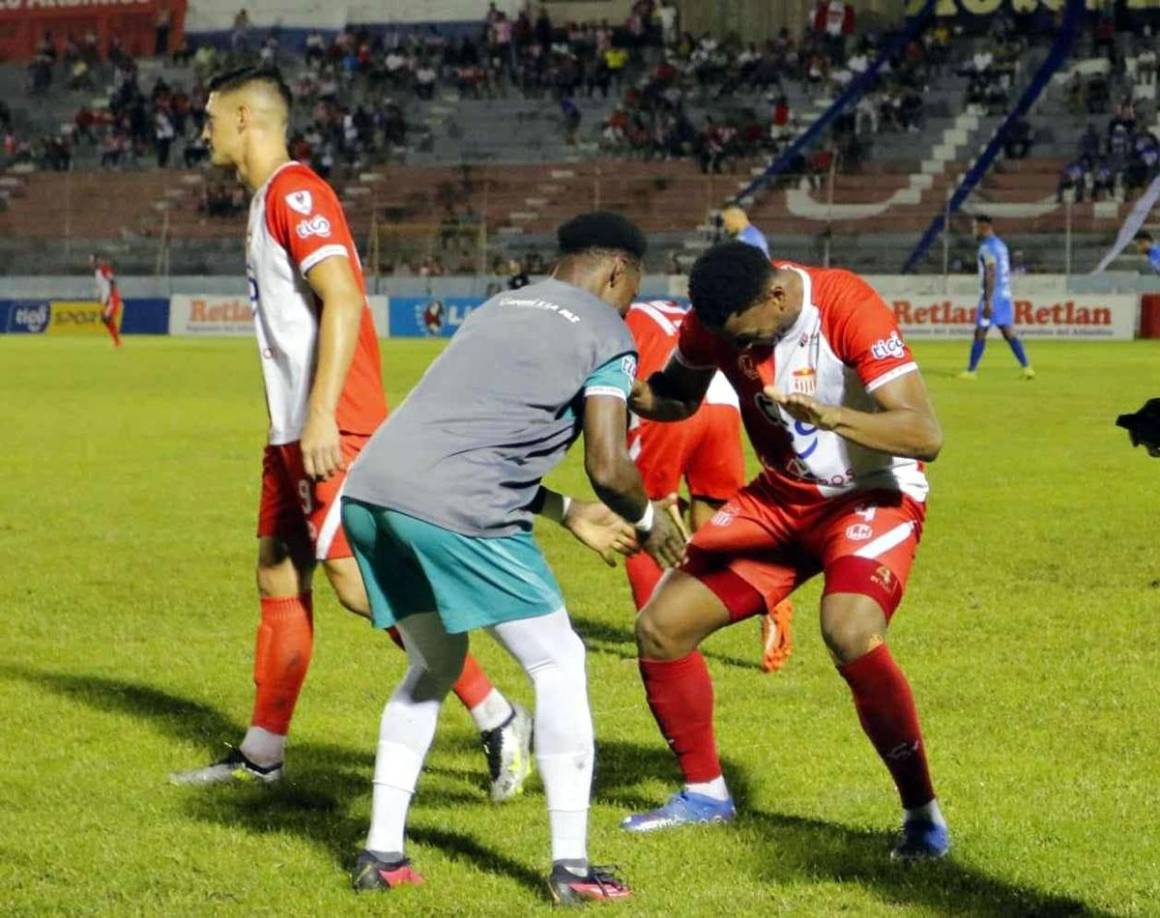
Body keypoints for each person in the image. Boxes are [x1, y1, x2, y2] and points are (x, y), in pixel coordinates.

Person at [169, 67, 528, 802]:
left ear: (244, 117)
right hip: (291, 429)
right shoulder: (269, 199)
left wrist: (324, 413)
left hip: (330, 423)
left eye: (209, 116)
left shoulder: (298, 193)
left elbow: (343, 295)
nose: (201, 130)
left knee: (360, 588)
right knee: (278, 570)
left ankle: (497, 715)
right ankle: (263, 753)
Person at [339, 211, 686, 902]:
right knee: (559, 661)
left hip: (371, 493)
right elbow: (610, 467)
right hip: (457, 509)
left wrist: (564, 514)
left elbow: (471, 439)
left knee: (433, 663)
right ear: (618, 272)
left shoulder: (497, 308)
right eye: (631, 287)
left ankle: (381, 853)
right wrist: (649, 522)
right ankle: (571, 869)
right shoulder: (607, 332)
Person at [623, 241, 950, 861]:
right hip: (781, 500)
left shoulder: (847, 305)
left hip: (870, 493)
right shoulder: (717, 319)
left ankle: (921, 816)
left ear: (777, 296)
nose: (742, 353)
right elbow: (679, 397)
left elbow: (923, 434)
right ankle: (705, 794)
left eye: (750, 338)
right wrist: (620, 390)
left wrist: (831, 416)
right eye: (731, 342)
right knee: (661, 627)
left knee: (849, 630)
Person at [625, 298, 794, 672]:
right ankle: (769, 598)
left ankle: (657, 640)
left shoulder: (619, 317)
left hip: (667, 400)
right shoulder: (677, 310)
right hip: (720, 400)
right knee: (714, 514)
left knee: (641, 515)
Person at [959, 215, 1034, 380]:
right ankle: (1027, 367)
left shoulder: (986, 247)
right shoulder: (1001, 245)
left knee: (980, 331)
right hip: (1005, 295)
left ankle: (971, 371)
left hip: (993, 297)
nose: (973, 231)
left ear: (983, 227)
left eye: (975, 228)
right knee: (1007, 331)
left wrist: (988, 301)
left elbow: (991, 272)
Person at [90, 254, 123, 348]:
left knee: (106, 318)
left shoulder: (104, 269)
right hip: (107, 299)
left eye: (92, 261)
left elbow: (112, 281)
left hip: (112, 297)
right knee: (106, 319)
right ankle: (117, 342)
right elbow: (102, 287)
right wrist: (100, 297)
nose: (91, 263)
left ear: (97, 261)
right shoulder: (97, 273)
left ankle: (117, 342)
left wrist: (111, 295)